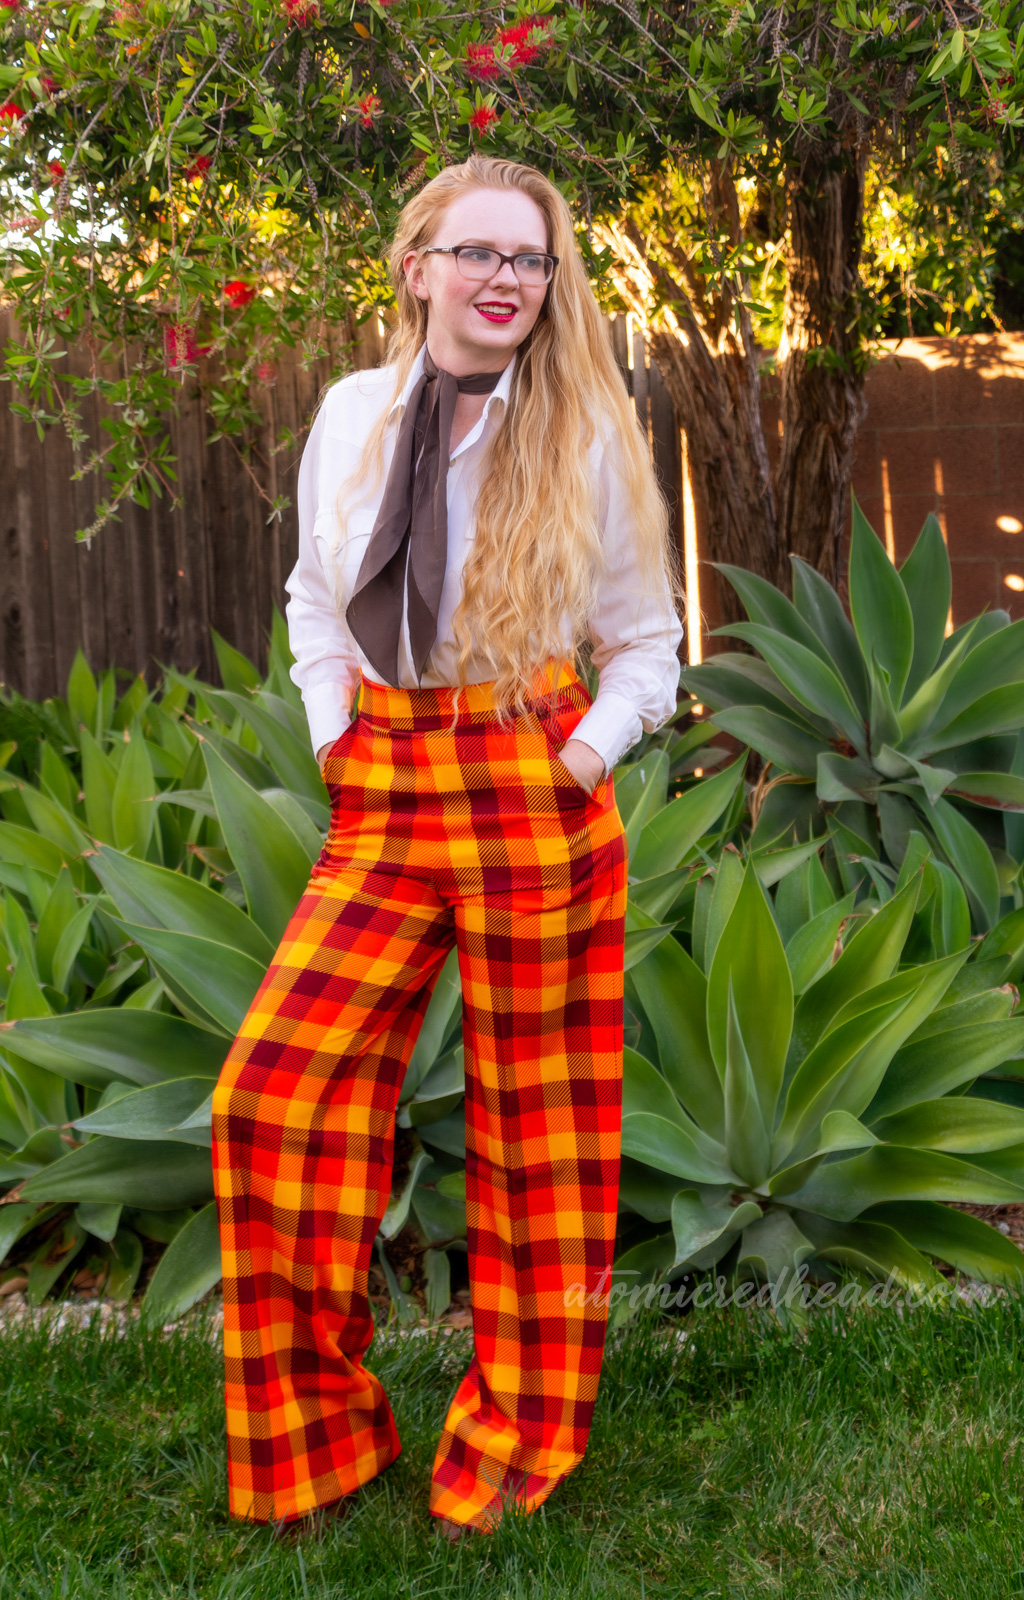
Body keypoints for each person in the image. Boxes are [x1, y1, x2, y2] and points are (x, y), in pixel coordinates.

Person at [210, 152, 685, 1542]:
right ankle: (316, 1436)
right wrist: (334, 737)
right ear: (415, 266)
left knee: (540, 1138)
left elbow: (646, 649)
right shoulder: (353, 413)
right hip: (388, 781)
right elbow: (312, 591)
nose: (504, 282)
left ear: (552, 283)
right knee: (271, 1095)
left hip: (529, 774)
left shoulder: (586, 430)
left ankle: (518, 1441)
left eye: (529, 261)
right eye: (476, 254)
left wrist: (576, 761)